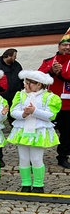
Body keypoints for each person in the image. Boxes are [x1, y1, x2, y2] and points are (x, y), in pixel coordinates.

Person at [7, 70, 61, 193]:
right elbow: (13, 112)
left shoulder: (49, 97)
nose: (25, 85)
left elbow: (51, 115)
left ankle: (38, 185)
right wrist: (24, 114)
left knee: (36, 158)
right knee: (24, 158)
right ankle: (25, 183)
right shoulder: (20, 95)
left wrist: (34, 111)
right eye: (25, 82)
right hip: (22, 131)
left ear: (39, 84)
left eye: (29, 83)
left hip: (38, 131)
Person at [38, 27, 70, 169]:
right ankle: (36, 156)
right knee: (41, 129)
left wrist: (59, 73)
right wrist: (51, 71)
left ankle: (62, 156)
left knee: (67, 133)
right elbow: (38, 76)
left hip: (67, 105)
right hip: (49, 104)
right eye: (64, 45)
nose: (67, 47)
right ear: (59, 46)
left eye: (69, 45)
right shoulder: (49, 61)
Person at [0, 48, 24, 123]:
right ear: (9, 56)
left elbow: (21, 78)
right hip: (2, 95)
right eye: (14, 56)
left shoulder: (17, 65)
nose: (15, 58)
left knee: (13, 113)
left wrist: (22, 88)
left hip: (14, 94)